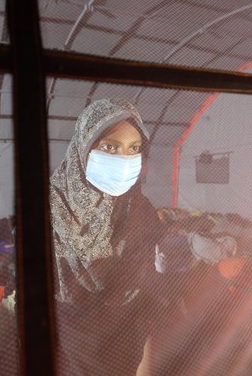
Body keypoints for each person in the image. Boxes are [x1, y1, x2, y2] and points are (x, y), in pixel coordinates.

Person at [50, 99, 166, 375]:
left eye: (134, 149)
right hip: (58, 343)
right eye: (110, 147)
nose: (124, 160)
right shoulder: (48, 208)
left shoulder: (141, 211)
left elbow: (137, 285)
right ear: (84, 146)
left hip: (119, 344)